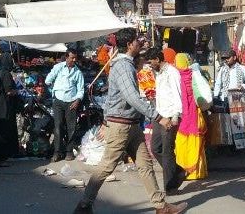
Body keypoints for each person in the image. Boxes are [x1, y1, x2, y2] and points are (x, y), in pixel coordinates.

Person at [74, 29, 187, 214]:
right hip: (121, 126)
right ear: (129, 45)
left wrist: (105, 120)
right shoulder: (123, 67)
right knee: (107, 166)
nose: (140, 43)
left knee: (145, 165)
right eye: (137, 41)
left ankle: (161, 206)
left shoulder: (126, 65)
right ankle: (84, 205)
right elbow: (133, 98)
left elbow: (113, 98)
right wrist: (159, 117)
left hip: (132, 125)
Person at [147, 47, 185, 193]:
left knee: (167, 150)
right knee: (155, 148)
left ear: (157, 59)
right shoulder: (158, 73)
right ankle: (178, 172)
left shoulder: (172, 72)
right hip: (159, 115)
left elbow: (177, 94)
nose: (150, 65)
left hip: (170, 115)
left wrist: (176, 116)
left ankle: (170, 187)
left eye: (151, 62)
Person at [45, 48, 85, 162]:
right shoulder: (58, 68)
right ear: (66, 57)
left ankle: (69, 152)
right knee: (58, 126)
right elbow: (48, 80)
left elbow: (80, 89)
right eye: (72, 58)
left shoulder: (78, 72)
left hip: (71, 102)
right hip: (58, 101)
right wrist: (54, 88)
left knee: (71, 127)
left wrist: (77, 100)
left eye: (75, 58)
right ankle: (57, 152)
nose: (74, 60)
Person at [174, 53, 208, 181]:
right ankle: (197, 172)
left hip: (182, 115)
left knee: (181, 142)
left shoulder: (175, 77)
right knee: (196, 142)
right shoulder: (195, 75)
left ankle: (183, 170)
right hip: (195, 113)